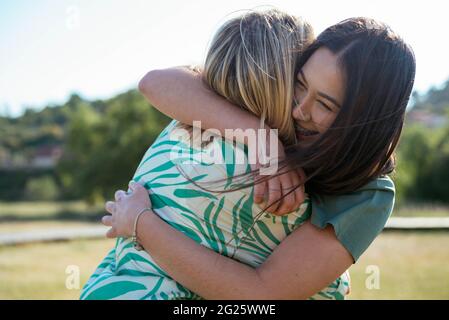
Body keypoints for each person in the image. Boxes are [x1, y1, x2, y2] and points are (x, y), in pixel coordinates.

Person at [80, 9, 350, 300]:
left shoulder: (180, 126)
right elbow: (325, 290)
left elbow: (155, 81)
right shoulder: (276, 182)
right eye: (301, 83)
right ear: (282, 83)